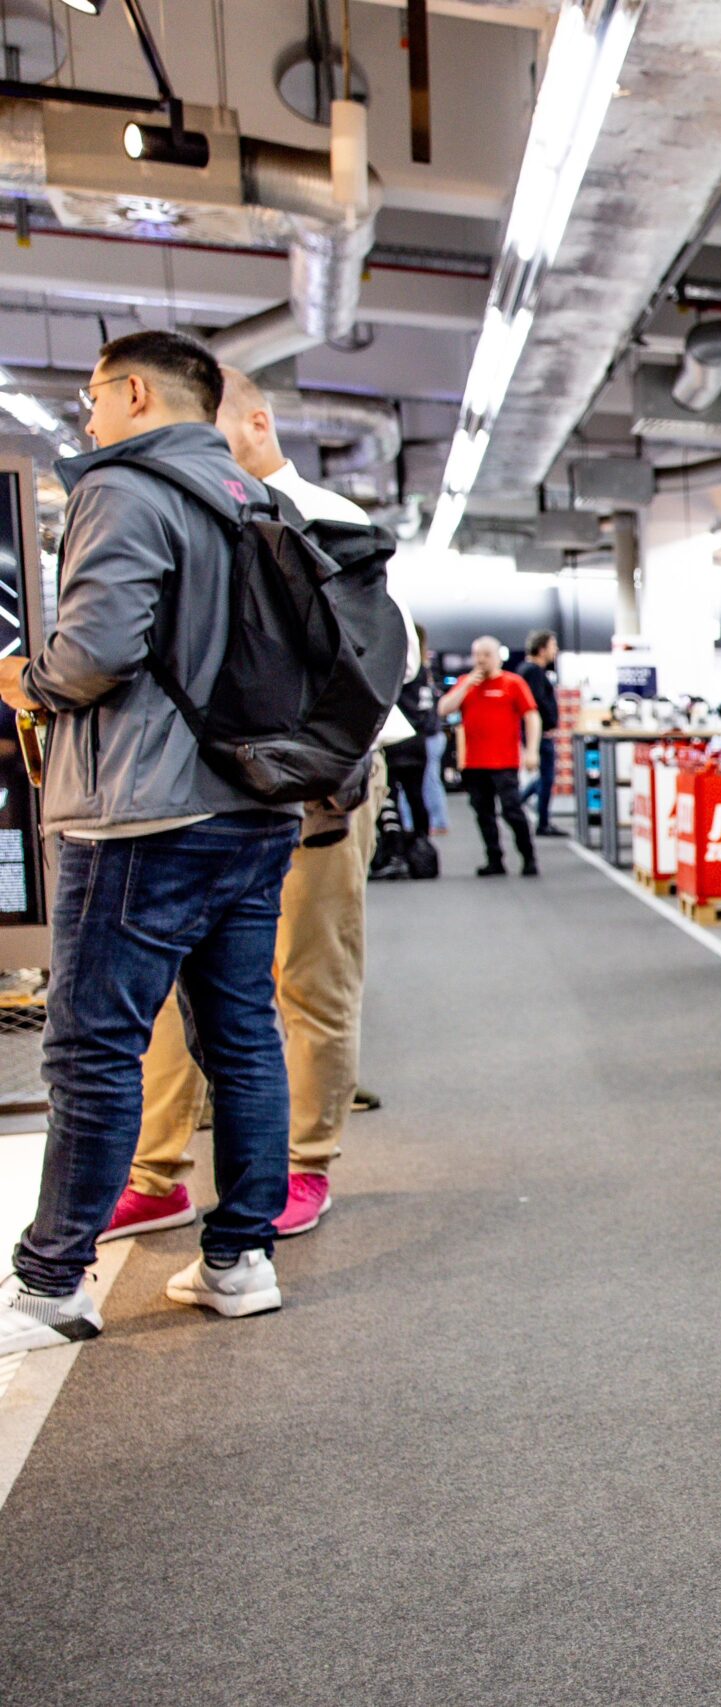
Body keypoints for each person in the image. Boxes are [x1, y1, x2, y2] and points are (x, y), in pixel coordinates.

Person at [0, 329, 303, 1349]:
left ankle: (51, 1283)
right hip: (255, 804)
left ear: (132, 392)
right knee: (243, 1037)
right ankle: (240, 1258)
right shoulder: (255, 497)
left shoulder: (123, 489)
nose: (87, 417)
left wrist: (26, 681)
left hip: (138, 811)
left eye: (92, 397)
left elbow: (95, 653)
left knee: (91, 1050)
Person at [102, 367, 397, 1245]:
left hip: (311, 792)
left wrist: (308, 760)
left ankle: (304, 1164)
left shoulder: (327, 521)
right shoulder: (182, 519)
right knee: (167, 992)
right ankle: (155, 1172)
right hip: (195, 793)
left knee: (306, 980)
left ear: (256, 425)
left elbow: (389, 664)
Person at [441, 636, 541, 877]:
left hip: (504, 762)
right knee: (483, 813)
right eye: (477, 655)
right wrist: (465, 686)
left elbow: (532, 716)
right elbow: (444, 708)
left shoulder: (513, 683)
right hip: (474, 763)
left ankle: (528, 857)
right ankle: (494, 859)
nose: (481, 660)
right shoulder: (466, 683)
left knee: (512, 810)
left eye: (486, 654)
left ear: (497, 657)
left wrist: (531, 750)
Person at [381, 621, 439, 859]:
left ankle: (394, 850)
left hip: (396, 741)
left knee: (390, 798)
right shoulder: (424, 671)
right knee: (416, 797)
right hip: (418, 742)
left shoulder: (397, 669)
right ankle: (421, 845)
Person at [514, 628, 567, 837]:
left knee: (545, 777)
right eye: (553, 646)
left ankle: (517, 802)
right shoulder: (533, 671)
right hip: (541, 734)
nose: (555, 651)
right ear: (542, 648)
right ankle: (542, 821)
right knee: (547, 777)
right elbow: (535, 705)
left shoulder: (529, 670)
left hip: (540, 733)